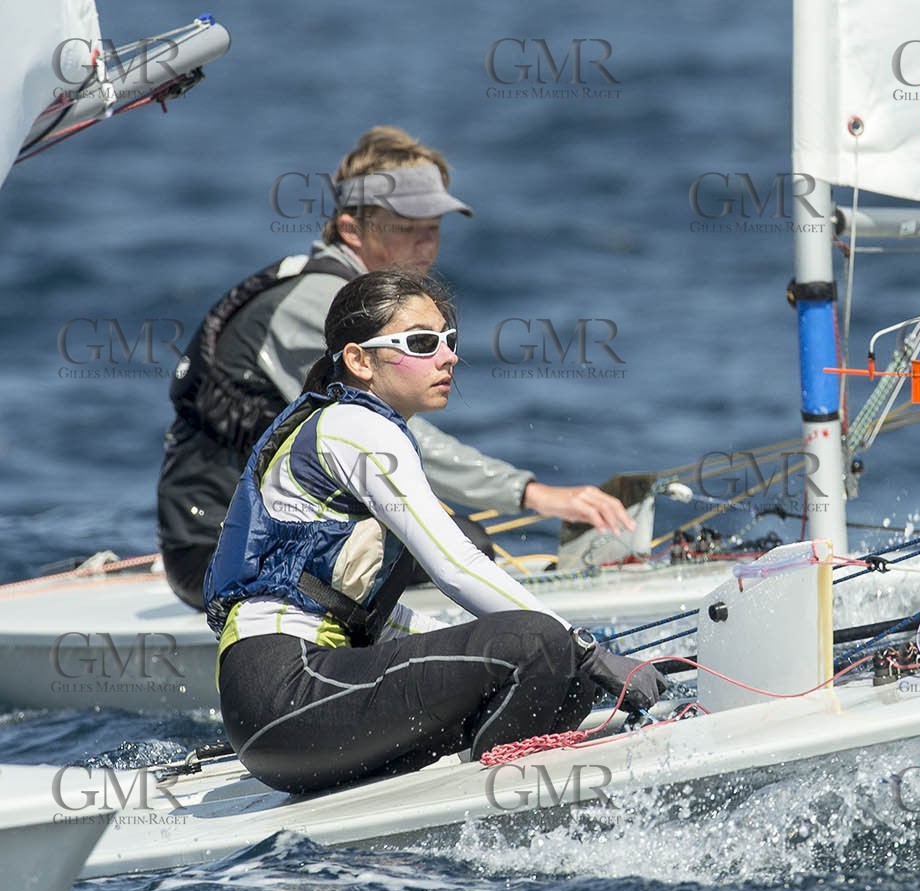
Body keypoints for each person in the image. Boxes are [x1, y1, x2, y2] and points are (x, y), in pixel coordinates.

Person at [204, 268, 668, 795]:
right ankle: (494, 803)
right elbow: (456, 566)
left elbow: (367, 615)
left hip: (288, 707)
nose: (449, 356)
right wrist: (583, 647)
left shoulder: (360, 428)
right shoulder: (355, 428)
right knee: (539, 644)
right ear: (359, 361)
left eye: (450, 340)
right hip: (283, 693)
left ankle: (497, 775)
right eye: (423, 343)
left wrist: (574, 660)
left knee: (560, 671)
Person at [160, 125, 632, 608]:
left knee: (455, 537)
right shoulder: (317, 305)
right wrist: (533, 493)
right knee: (464, 542)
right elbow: (383, 436)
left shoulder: (361, 302)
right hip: (215, 552)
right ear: (350, 229)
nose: (427, 244)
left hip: (283, 533)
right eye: (406, 227)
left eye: (435, 226)